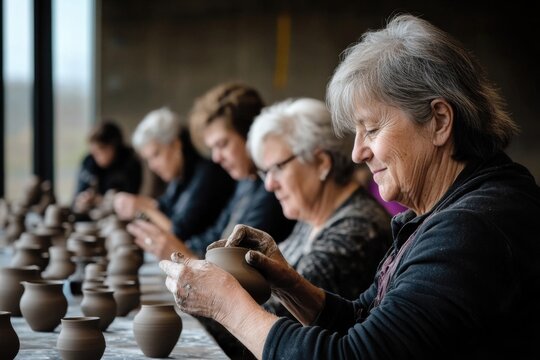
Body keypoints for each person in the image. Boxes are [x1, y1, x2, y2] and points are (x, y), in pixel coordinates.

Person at [159, 14, 540, 359]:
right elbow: (364, 321)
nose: (357, 153)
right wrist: (289, 283)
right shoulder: (445, 213)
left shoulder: (473, 228)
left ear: (439, 121)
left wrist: (228, 304)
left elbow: (353, 356)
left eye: (372, 129)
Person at [248, 97, 391, 311]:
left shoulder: (357, 229)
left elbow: (274, 315)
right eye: (265, 172)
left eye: (278, 167)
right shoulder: (313, 217)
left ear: (322, 163)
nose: (269, 184)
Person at [128, 83, 295, 260]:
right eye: (212, 148)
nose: (216, 158)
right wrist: (179, 248)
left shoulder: (270, 189)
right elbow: (215, 235)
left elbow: (236, 264)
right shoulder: (245, 182)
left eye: (222, 145)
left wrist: (180, 253)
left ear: (251, 135)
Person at [113, 107, 236, 256]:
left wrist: (144, 208)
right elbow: (163, 206)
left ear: (176, 145)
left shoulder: (208, 174)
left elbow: (178, 233)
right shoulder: (180, 176)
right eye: (148, 160)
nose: (152, 166)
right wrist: (139, 204)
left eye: (156, 154)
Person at [73, 120, 142, 213]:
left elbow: (131, 199)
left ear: (112, 147)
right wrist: (82, 201)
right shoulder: (89, 161)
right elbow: (76, 197)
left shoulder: (130, 163)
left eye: (99, 152)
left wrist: (100, 200)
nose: (95, 157)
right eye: (93, 152)